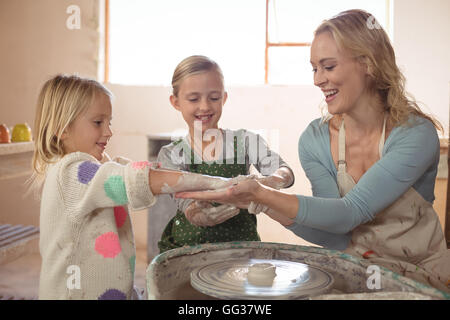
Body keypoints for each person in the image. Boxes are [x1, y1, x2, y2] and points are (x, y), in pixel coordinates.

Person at [176, 10, 450, 292]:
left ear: (368, 64)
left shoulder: (415, 134)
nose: (318, 80)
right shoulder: (315, 139)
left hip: (421, 277)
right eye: (314, 69)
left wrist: (265, 193)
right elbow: (336, 234)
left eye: (328, 67)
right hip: (356, 271)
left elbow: (350, 213)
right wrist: (260, 204)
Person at [32, 74, 245, 300]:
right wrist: (216, 183)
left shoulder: (100, 165)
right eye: (98, 122)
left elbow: (139, 172)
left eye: (109, 122)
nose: (108, 132)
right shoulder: (70, 173)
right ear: (62, 128)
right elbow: (135, 179)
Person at [157, 55, 295, 253]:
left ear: (224, 98)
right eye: (194, 99)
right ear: (176, 102)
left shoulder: (246, 141)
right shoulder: (171, 154)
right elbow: (183, 199)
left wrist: (270, 182)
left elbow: (284, 171)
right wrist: (196, 213)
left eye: (213, 98)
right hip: (187, 250)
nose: (204, 106)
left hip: (241, 249)